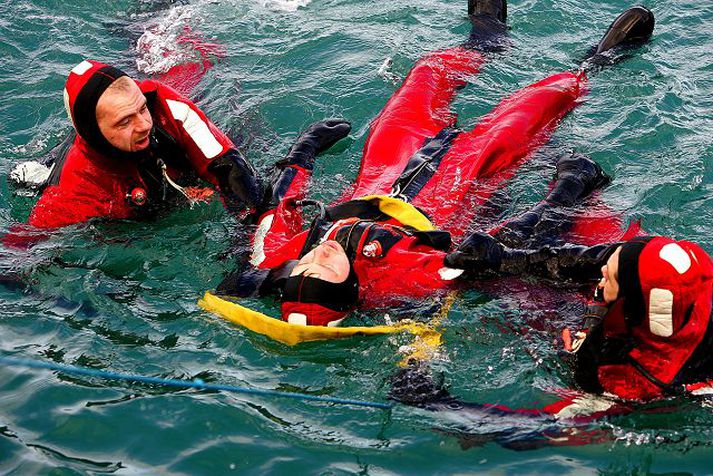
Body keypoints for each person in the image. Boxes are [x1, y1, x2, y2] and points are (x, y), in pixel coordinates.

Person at [216, 2, 655, 330]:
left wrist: (303, 152)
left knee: (425, 74)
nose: (319, 256)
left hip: (385, 168)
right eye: (324, 272)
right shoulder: (407, 280)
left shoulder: (280, 256)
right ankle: (596, 62)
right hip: (458, 182)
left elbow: (279, 207)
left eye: (304, 268)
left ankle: (485, 39)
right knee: (534, 108)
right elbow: (504, 262)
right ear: (349, 291)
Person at [24, 60, 262, 230]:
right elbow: (20, 254)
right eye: (125, 121)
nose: (144, 125)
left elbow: (228, 166)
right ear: (93, 133)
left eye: (141, 109)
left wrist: (251, 232)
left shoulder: (162, 103)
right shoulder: (73, 193)